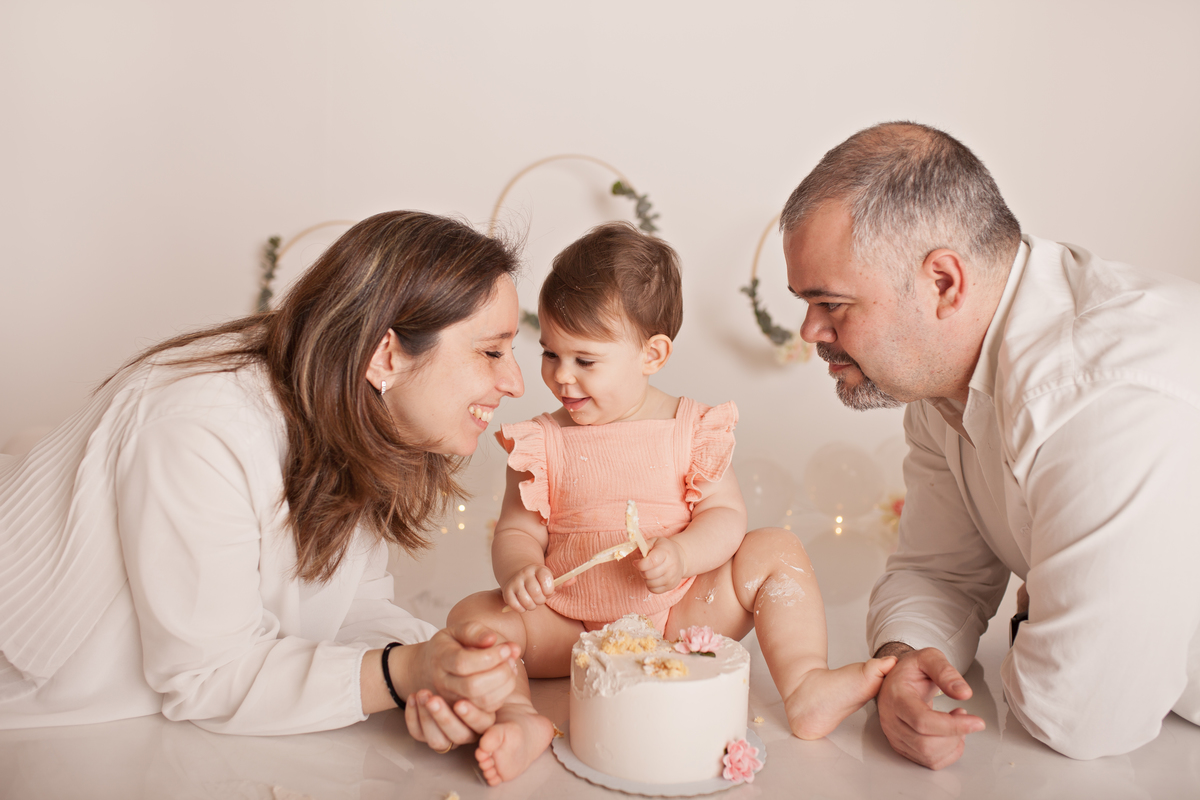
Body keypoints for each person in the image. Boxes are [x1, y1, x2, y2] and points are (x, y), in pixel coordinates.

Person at [0, 211, 527, 752]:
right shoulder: (201, 427)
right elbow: (208, 676)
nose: (515, 382)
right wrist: (404, 671)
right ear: (385, 354)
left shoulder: (359, 417)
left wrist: (447, 676)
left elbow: (351, 611)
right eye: (491, 351)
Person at [780, 122, 1200, 769]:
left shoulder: (1098, 395)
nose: (810, 331)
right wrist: (902, 662)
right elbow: (937, 571)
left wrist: (1034, 621)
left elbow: (1084, 715)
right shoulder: (941, 383)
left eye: (831, 303)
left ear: (944, 282)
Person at [444, 222, 896, 785]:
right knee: (474, 615)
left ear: (652, 354)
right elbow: (516, 530)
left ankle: (806, 684)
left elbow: (725, 517)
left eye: (585, 360)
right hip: (570, 627)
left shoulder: (691, 429)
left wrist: (683, 555)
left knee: (775, 548)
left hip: (683, 614)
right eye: (550, 353)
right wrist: (520, 570)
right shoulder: (543, 441)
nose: (561, 377)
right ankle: (518, 718)